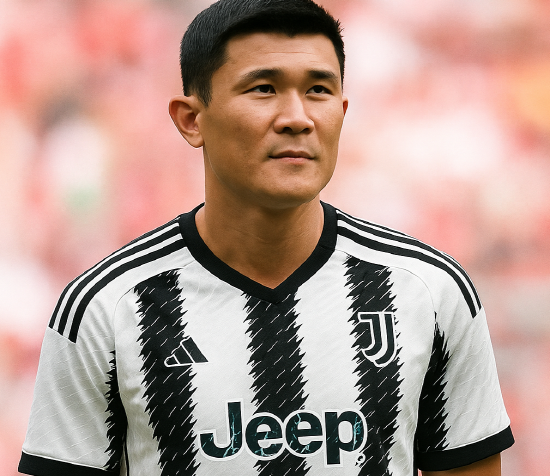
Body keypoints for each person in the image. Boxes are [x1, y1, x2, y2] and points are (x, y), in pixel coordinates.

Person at [18, 0, 514, 475]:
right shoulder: (106, 309)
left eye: (318, 90)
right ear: (191, 120)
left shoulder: (430, 292)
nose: (297, 117)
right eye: (263, 88)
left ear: (342, 111)